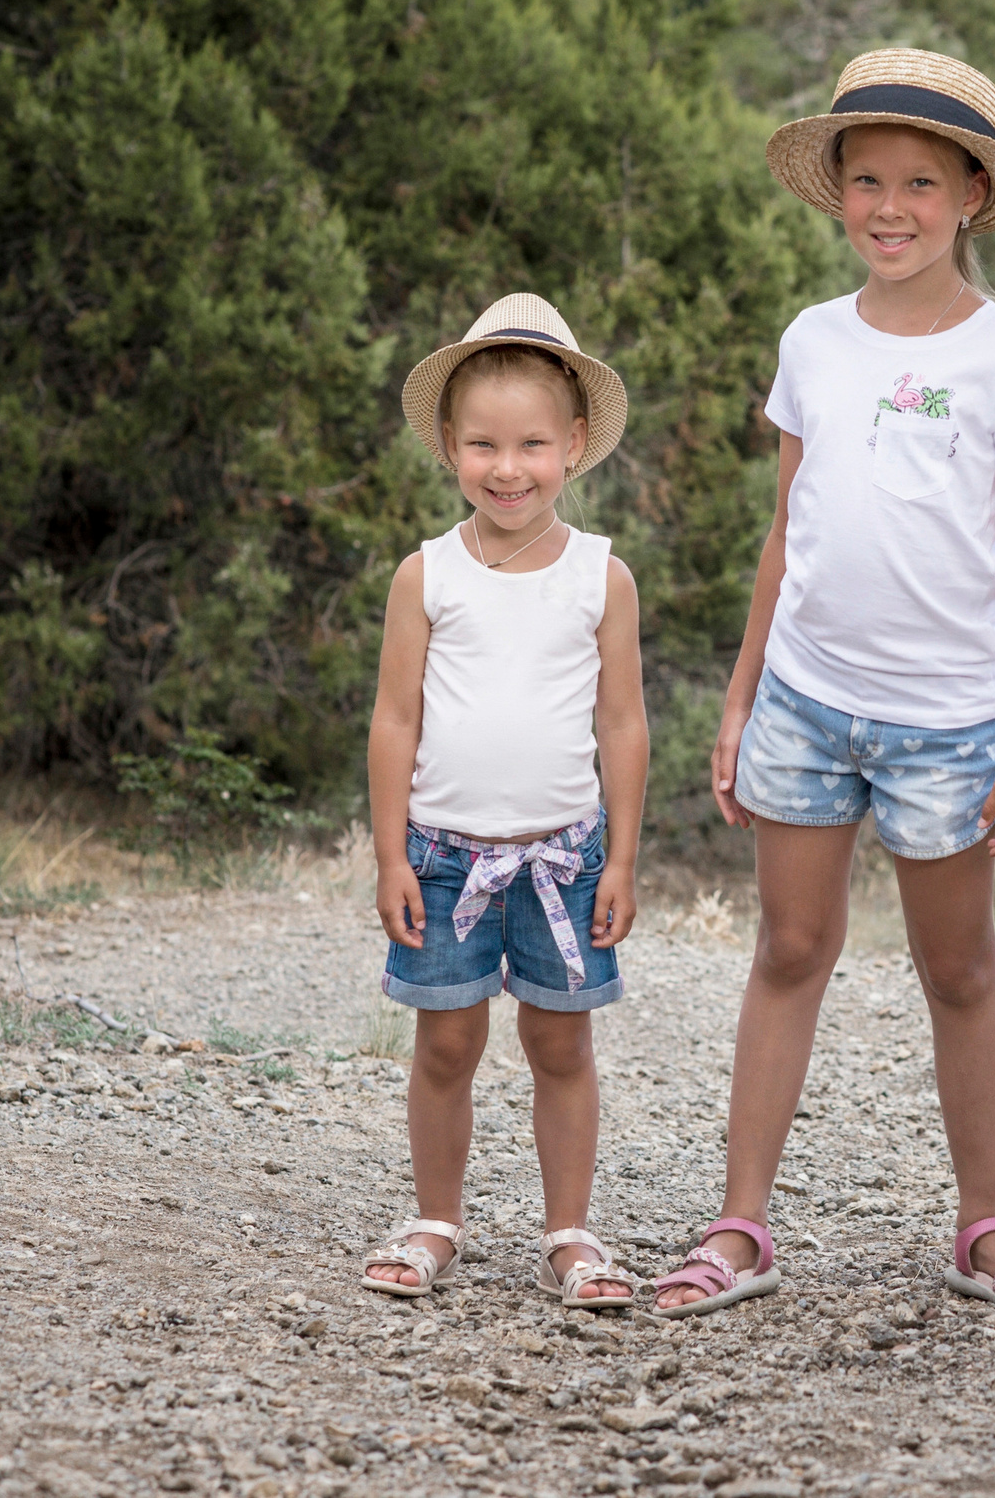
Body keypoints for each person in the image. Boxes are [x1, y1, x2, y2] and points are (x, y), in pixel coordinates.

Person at [651, 50, 995, 1313]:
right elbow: (788, 528)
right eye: (868, 180)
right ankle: (740, 1225)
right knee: (790, 947)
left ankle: (983, 1222)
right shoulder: (811, 341)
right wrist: (739, 698)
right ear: (837, 192)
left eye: (921, 183)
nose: (891, 207)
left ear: (968, 199)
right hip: (802, 700)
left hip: (950, 720)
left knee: (958, 970)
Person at [358, 293, 651, 1309]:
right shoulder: (426, 574)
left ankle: (568, 1231)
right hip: (442, 857)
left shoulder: (599, 575)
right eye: (483, 443)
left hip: (564, 858)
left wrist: (621, 857)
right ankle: (435, 1217)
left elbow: (622, 724)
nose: (508, 466)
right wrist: (392, 854)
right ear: (448, 445)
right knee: (445, 1039)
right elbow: (396, 719)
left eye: (531, 442)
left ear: (573, 443)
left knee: (560, 1041)